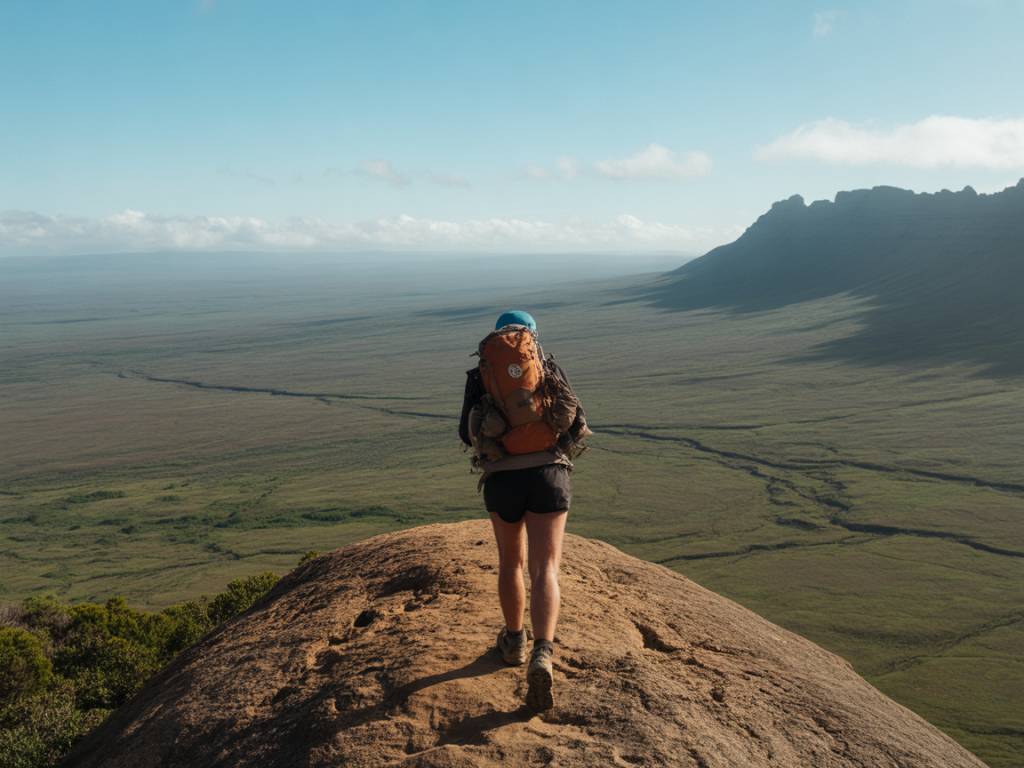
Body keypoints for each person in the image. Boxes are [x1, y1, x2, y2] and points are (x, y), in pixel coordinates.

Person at [458, 309, 590, 711]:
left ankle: (514, 641)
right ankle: (543, 653)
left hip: (502, 479)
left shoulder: (482, 375)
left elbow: (466, 432)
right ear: (532, 338)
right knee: (545, 568)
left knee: (510, 562)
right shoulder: (546, 368)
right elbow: (576, 423)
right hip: (549, 475)